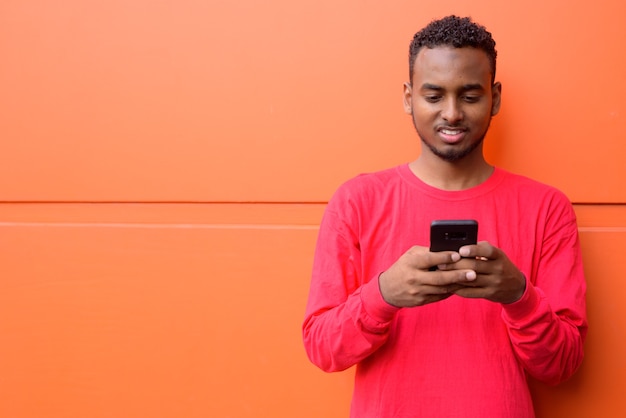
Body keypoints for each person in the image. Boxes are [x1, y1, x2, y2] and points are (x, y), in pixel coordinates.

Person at [302, 15, 587, 417]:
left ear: (495, 97)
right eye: (433, 96)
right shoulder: (356, 201)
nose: (452, 114)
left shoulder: (547, 208)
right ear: (407, 97)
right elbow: (322, 349)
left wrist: (518, 296)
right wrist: (383, 295)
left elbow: (562, 365)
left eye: (470, 96)